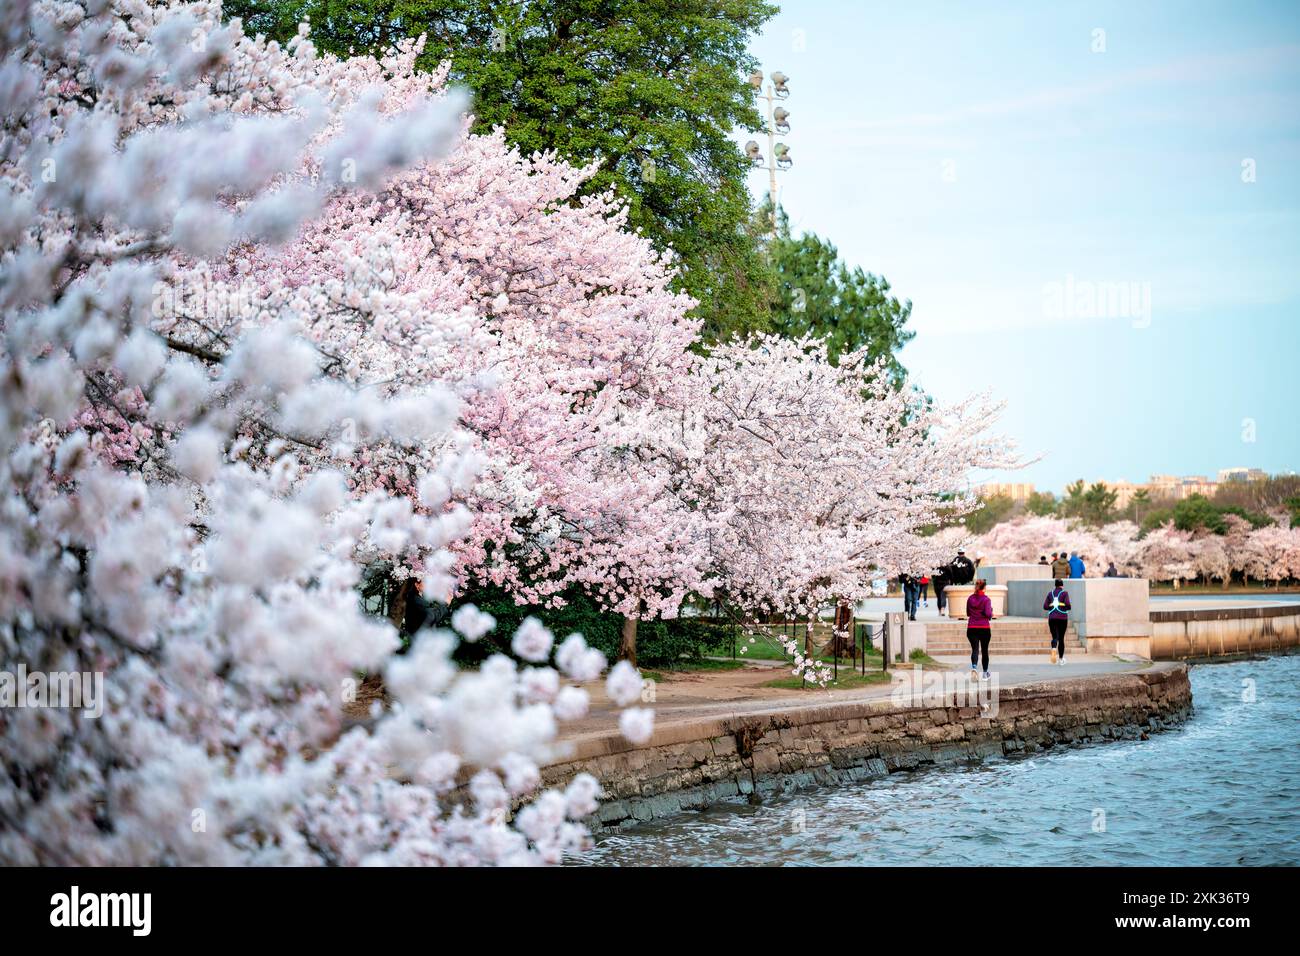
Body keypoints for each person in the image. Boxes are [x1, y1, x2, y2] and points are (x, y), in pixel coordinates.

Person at [966, 579, 994, 680]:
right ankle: (985, 674)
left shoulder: (970, 598)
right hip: (984, 628)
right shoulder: (986, 600)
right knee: (984, 650)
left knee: (975, 649)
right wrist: (991, 612)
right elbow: (988, 614)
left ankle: (974, 667)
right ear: (984, 588)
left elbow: (968, 613)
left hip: (972, 628)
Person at [1043, 578, 1072, 665]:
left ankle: (1054, 648)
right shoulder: (1064, 593)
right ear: (1062, 585)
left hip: (1052, 618)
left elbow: (1045, 606)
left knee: (1055, 637)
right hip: (1062, 618)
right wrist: (1066, 608)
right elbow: (1068, 605)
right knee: (1061, 639)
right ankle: (1061, 659)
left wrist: (1051, 608)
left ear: (1055, 585)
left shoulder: (1050, 593)